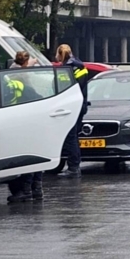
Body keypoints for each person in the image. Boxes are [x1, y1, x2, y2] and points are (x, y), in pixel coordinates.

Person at [7, 51, 44, 202]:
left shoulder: (10, 77)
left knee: (27, 156)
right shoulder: (24, 80)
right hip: (30, 121)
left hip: (18, 122)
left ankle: (26, 190)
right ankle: (36, 189)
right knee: (33, 154)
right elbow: (38, 97)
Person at [56, 44, 89, 178]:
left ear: (59, 54)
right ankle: (74, 166)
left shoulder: (68, 68)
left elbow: (66, 88)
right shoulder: (79, 66)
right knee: (73, 136)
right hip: (79, 105)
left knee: (71, 137)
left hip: (72, 106)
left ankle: (73, 167)